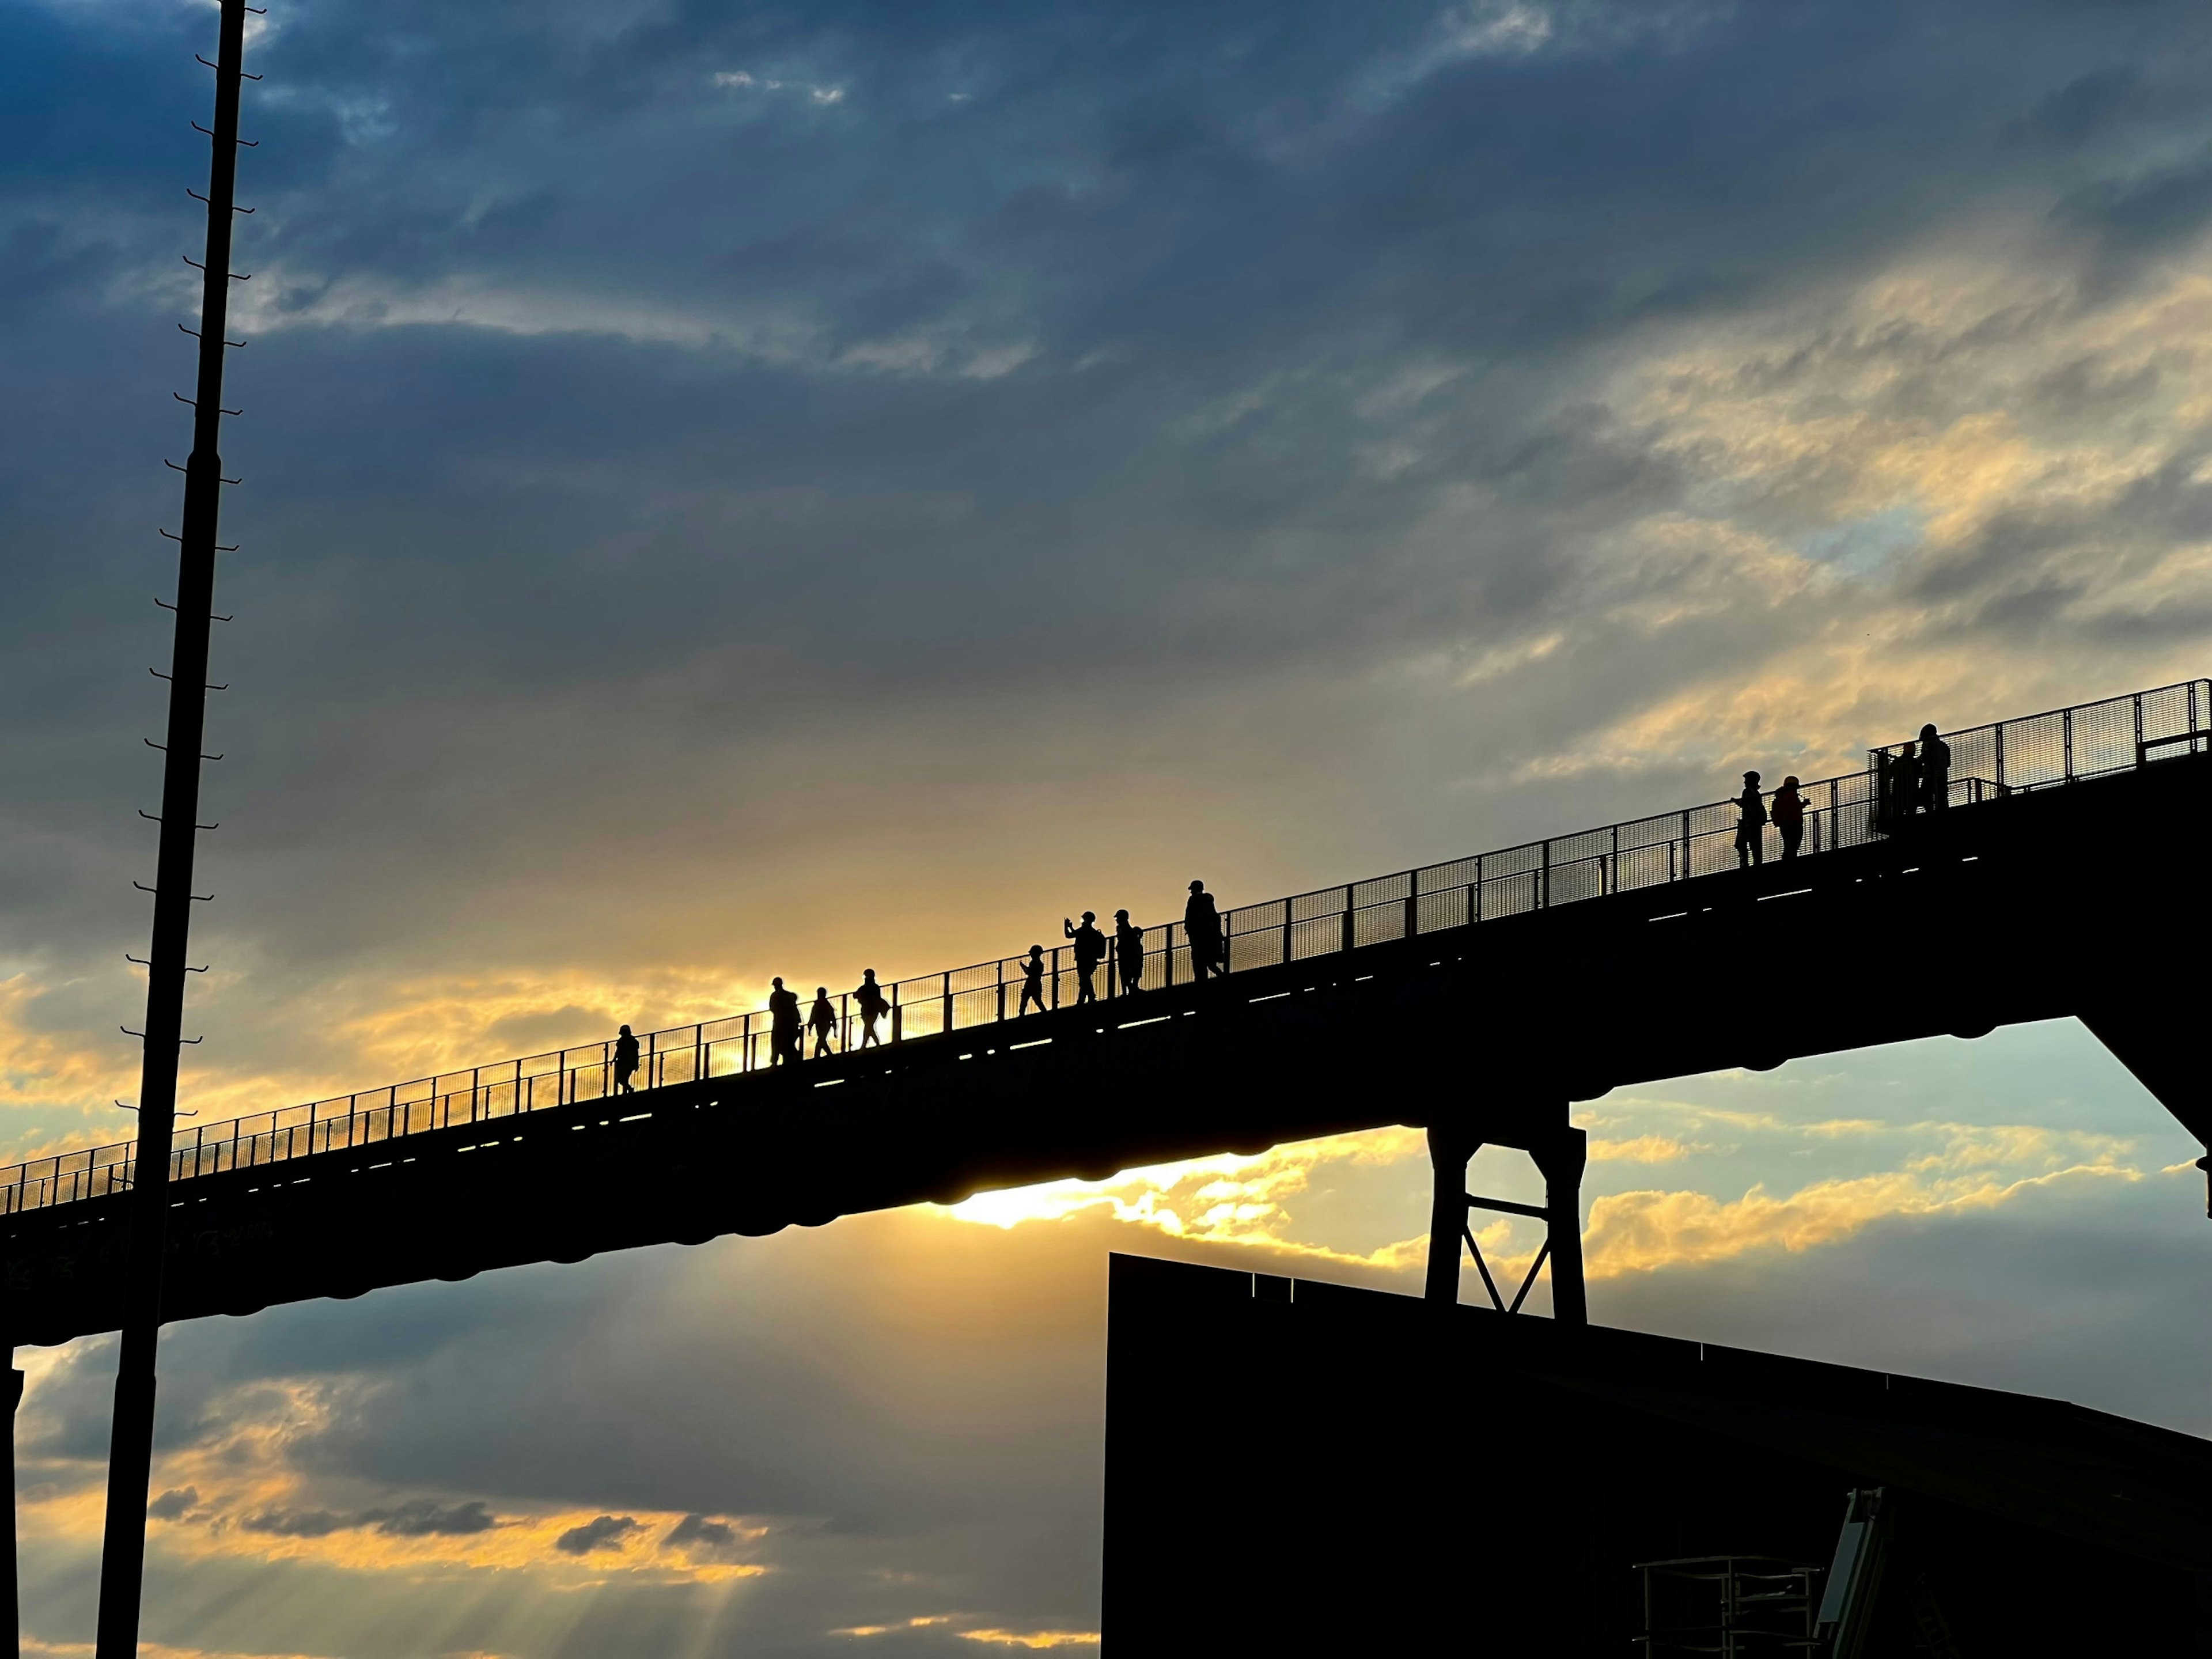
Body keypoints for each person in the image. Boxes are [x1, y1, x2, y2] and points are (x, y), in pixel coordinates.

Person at [1185, 880, 1226, 979]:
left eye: (1192, 889)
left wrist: (1190, 929)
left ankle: (1202, 983)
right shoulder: (1207, 900)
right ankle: (1221, 976)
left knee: (1200, 964)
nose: (1191, 892)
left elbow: (1190, 918)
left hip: (1199, 938)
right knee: (1210, 964)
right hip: (1209, 938)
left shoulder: (1193, 901)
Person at [1064, 911, 1107, 1006]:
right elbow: (1075, 933)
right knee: (1084, 979)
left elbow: (1069, 935)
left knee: (1084, 979)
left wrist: (1066, 926)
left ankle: (1090, 997)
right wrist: (1070, 927)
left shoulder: (1083, 931)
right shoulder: (1092, 932)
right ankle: (1082, 1000)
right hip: (1092, 960)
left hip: (1083, 959)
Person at [1733, 771, 1767, 868]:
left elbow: (1746, 805)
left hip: (1749, 823)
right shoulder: (1756, 793)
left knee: (1741, 844)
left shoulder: (1747, 791)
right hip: (1755, 823)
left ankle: (1745, 864)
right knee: (1755, 845)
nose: (1744, 782)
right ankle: (1756, 863)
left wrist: (1737, 802)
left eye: (1746, 780)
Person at [1770, 775, 1807, 861]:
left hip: (1784, 823)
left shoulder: (1781, 795)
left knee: (1788, 844)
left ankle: (1787, 858)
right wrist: (1804, 804)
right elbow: (1794, 808)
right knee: (1794, 844)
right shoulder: (1791, 795)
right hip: (1794, 823)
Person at [768, 976, 802, 1067]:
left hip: (779, 1024)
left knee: (776, 1042)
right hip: (791, 1025)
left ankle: (775, 1062)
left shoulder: (775, 996)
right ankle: (792, 1059)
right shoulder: (789, 996)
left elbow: (772, 1008)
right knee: (788, 1043)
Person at [1918, 724, 1950, 813]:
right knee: (1942, 798)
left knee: (1925, 796)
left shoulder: (1929, 744)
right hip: (1942, 776)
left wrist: (1917, 764)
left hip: (1930, 776)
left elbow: (1924, 757)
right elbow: (1948, 763)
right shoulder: (1944, 746)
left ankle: (1930, 812)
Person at [854, 969, 889, 1048]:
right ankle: (875, 1043)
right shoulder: (875, 987)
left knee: (868, 1026)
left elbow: (855, 995)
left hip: (867, 1010)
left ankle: (866, 1044)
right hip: (873, 1011)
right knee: (869, 1027)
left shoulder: (864, 988)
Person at [1114, 910, 1144, 996]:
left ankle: (1131, 990)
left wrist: (1119, 948)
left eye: (1118, 918)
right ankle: (1132, 989)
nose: (1116, 920)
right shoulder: (1129, 929)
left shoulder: (1121, 928)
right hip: (1129, 955)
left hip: (1125, 955)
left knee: (1125, 974)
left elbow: (1122, 940)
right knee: (1129, 974)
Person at [808, 986, 838, 1059]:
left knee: (821, 1040)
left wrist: (810, 1026)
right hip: (825, 1025)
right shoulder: (827, 1004)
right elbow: (833, 1017)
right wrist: (835, 1029)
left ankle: (820, 1056)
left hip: (822, 1024)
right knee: (821, 1040)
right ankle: (823, 1055)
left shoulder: (819, 1004)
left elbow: (813, 1016)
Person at [1017, 945, 1048, 1014]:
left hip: (1031, 984)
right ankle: (1045, 1013)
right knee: (1037, 1001)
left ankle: (1021, 1015)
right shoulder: (1040, 964)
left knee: (1025, 1000)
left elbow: (1029, 973)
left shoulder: (1034, 963)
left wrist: (1023, 967)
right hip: (1036, 984)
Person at [613, 1024, 641, 1094]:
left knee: (624, 1079)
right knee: (621, 1079)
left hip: (629, 1063)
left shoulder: (632, 1042)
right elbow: (618, 1052)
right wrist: (614, 1059)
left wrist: (636, 1064)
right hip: (623, 1063)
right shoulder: (622, 1041)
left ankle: (627, 1091)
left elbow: (635, 1054)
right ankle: (629, 1089)